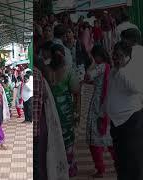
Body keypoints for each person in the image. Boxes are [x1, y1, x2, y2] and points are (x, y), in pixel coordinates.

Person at [103, 29, 143, 180]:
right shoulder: (114, 71)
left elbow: (137, 88)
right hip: (117, 124)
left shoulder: (128, 70)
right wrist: (104, 111)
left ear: (128, 57)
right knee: (120, 160)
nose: (115, 58)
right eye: (114, 55)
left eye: (119, 56)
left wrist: (122, 69)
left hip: (131, 122)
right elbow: (111, 93)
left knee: (133, 160)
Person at [48, 44, 80, 177]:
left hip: (50, 110)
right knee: (67, 138)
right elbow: (76, 90)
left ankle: (56, 169)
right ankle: (69, 167)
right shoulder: (68, 70)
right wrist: (77, 111)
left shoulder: (46, 70)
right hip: (65, 110)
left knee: (54, 138)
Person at [84, 45, 116, 178]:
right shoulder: (110, 67)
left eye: (93, 56)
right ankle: (117, 163)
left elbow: (88, 76)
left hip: (98, 106)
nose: (93, 58)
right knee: (109, 139)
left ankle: (100, 168)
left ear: (98, 56)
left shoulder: (100, 67)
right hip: (108, 105)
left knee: (94, 139)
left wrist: (91, 65)